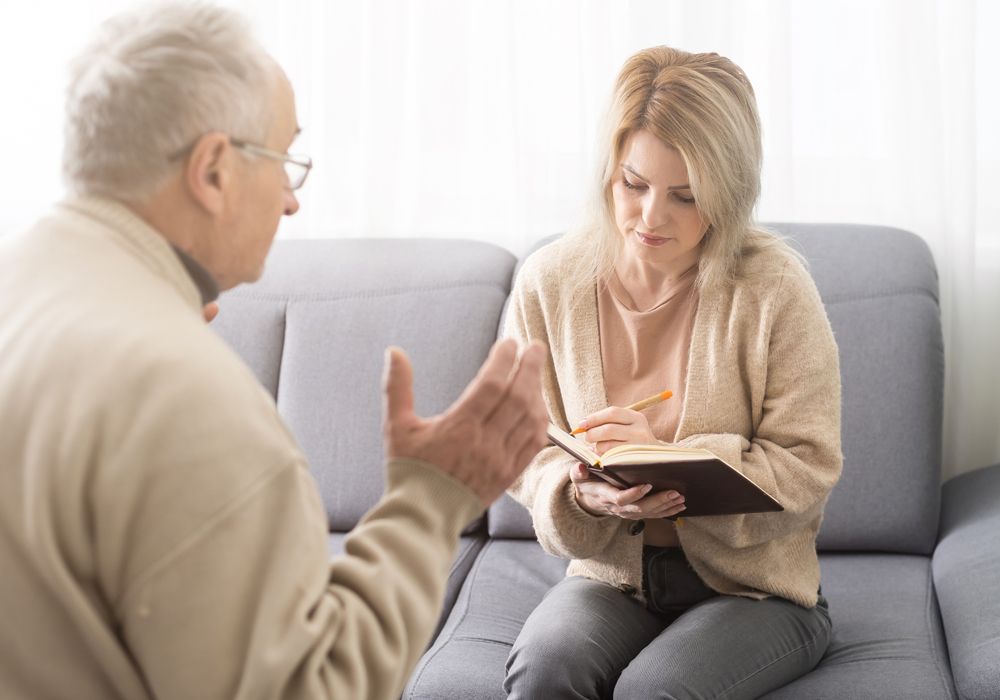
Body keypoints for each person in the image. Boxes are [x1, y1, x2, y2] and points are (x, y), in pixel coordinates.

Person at [0, 3, 548, 699]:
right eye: (285, 161)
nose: (291, 203)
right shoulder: (187, 399)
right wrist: (430, 500)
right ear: (213, 171)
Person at [502, 46, 842, 699]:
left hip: (756, 591)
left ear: (728, 192)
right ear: (609, 172)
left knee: (654, 690)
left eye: (685, 196)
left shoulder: (776, 290)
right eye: (634, 184)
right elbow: (521, 446)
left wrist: (674, 458)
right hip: (612, 580)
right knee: (546, 671)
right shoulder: (549, 282)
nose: (651, 217)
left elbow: (808, 467)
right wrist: (577, 495)